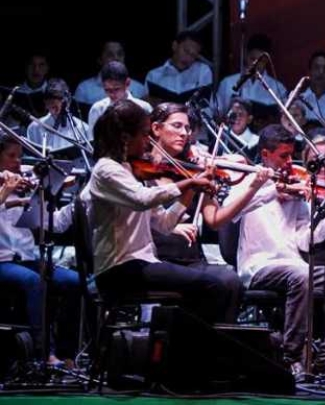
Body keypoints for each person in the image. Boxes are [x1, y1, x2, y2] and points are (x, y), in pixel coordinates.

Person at [230, 125, 325, 373]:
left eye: (291, 156)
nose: (289, 163)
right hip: (259, 266)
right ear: (265, 155)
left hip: (296, 266)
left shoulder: (295, 187)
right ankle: (292, 356)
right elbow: (231, 210)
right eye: (283, 156)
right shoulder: (248, 182)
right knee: (301, 275)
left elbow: (306, 241)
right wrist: (275, 190)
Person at [82, 101, 235, 324]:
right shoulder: (106, 169)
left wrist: (191, 189)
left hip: (142, 262)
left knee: (214, 285)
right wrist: (189, 182)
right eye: (144, 134)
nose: (148, 141)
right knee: (212, 287)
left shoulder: (131, 170)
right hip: (118, 268)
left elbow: (164, 224)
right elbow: (142, 199)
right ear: (125, 137)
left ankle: (178, 341)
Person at [145, 102, 269, 320]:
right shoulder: (141, 170)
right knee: (206, 287)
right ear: (156, 129)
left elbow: (215, 220)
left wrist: (253, 188)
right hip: (156, 258)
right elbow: (136, 218)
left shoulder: (193, 171)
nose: (184, 133)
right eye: (177, 126)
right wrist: (173, 228)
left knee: (230, 281)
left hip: (191, 258)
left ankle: (216, 339)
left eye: (187, 128)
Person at [0, 134, 80, 365]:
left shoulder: (27, 186)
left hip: (27, 258)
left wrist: (76, 202)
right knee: (34, 281)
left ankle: (68, 354)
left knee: (75, 281)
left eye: (20, 156)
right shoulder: (7, 187)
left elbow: (51, 224)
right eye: (11, 156)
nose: (18, 162)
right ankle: (44, 353)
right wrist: (6, 192)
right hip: (3, 261)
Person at [213, 34, 288, 118]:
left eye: (261, 61)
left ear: (267, 60)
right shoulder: (228, 83)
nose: (256, 64)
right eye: (252, 59)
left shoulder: (278, 88)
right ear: (246, 55)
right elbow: (217, 113)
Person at [26, 79, 91, 157]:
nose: (55, 112)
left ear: (68, 102)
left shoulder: (83, 128)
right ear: (45, 104)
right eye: (52, 107)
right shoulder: (35, 127)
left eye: (57, 107)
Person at [145, 30, 214, 103]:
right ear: (175, 46)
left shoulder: (202, 71)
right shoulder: (154, 75)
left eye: (193, 55)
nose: (188, 58)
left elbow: (207, 104)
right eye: (186, 51)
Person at [74, 41, 147, 110]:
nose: (116, 58)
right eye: (110, 55)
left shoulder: (139, 88)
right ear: (100, 60)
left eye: (120, 54)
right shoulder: (84, 89)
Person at [87, 61, 152, 129]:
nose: (112, 94)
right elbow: (92, 135)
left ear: (127, 83)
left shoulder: (143, 108)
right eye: (107, 90)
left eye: (116, 89)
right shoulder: (97, 109)